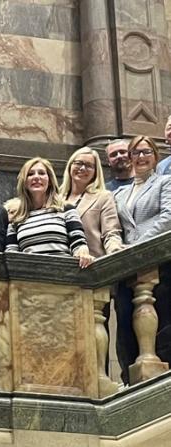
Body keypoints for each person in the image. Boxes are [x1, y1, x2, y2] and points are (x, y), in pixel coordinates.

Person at [112, 135, 171, 384]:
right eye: (136, 152)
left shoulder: (165, 182)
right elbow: (115, 227)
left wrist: (137, 245)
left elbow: (168, 216)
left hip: (160, 262)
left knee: (164, 319)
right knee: (125, 320)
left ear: (155, 156)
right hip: (128, 267)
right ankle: (129, 376)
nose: (141, 157)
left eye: (146, 152)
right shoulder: (120, 193)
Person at [5, 158, 94, 268]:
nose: (36, 177)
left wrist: (82, 253)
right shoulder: (16, 217)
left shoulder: (66, 209)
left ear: (50, 180)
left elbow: (78, 242)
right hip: (28, 279)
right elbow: (11, 255)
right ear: (24, 182)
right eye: (30, 174)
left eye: (42, 173)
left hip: (64, 275)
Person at [59, 147, 124, 258]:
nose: (83, 168)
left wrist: (115, 250)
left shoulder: (103, 197)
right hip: (59, 263)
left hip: (91, 264)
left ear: (95, 172)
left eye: (89, 166)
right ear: (70, 165)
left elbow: (111, 232)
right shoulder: (56, 199)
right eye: (79, 163)